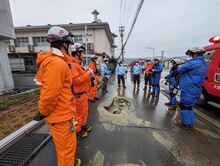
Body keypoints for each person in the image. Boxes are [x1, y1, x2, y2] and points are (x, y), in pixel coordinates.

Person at [34, 26, 81, 166]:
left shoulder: (54, 61)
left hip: (62, 115)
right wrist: (43, 111)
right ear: (64, 44)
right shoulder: (57, 63)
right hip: (62, 117)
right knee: (66, 150)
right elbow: (50, 94)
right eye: (69, 45)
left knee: (65, 149)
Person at [172, 47, 208, 129]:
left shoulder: (193, 62)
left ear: (195, 54)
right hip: (196, 87)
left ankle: (186, 124)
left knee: (184, 105)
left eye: (191, 54)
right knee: (189, 106)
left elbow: (181, 69)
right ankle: (191, 122)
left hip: (188, 87)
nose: (190, 56)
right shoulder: (204, 63)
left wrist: (175, 72)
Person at [71, 43, 93, 138]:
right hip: (78, 95)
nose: (84, 55)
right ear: (77, 53)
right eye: (82, 53)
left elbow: (82, 77)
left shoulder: (79, 65)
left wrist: (87, 73)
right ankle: (77, 131)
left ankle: (83, 126)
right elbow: (76, 81)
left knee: (84, 112)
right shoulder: (73, 65)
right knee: (78, 115)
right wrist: (88, 74)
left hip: (83, 95)